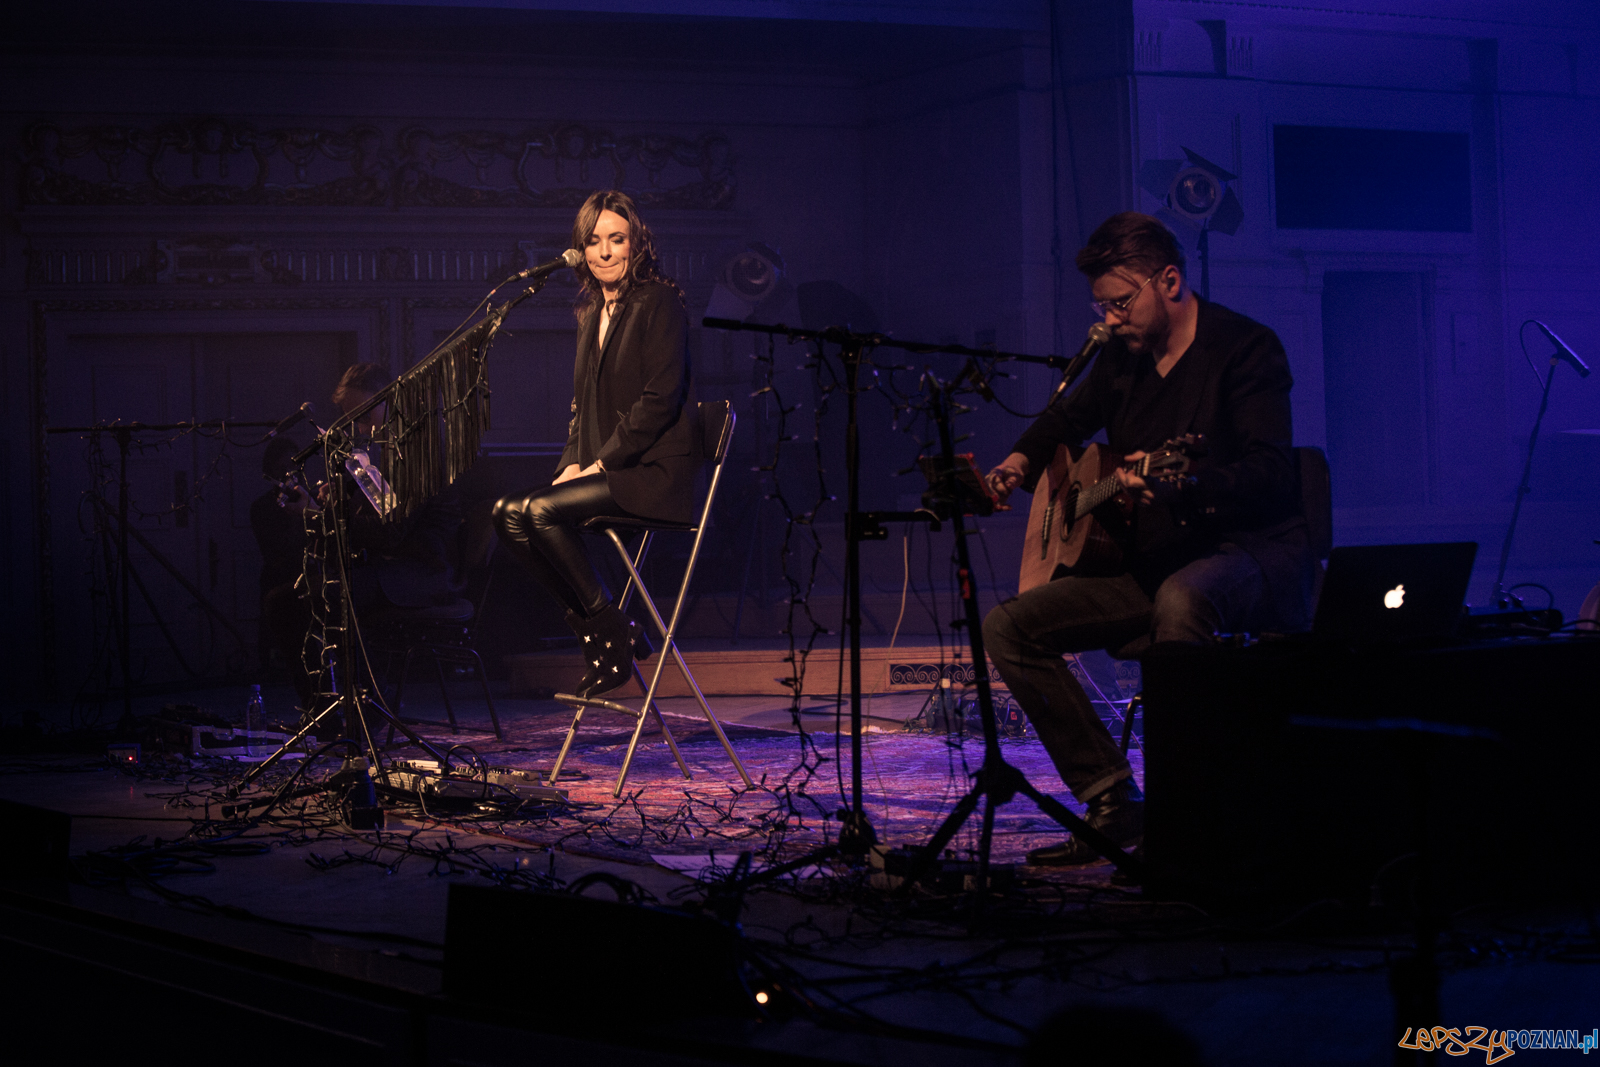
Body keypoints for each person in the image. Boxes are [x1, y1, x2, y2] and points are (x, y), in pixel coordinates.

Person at [982, 212, 1316, 867]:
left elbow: (1274, 473)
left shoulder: (1246, 350)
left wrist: (1181, 486)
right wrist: (1019, 462)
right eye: (1100, 306)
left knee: (1180, 603)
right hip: (1156, 558)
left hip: (1249, 550)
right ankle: (1112, 797)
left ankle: (1187, 811)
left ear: (1170, 279)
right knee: (1009, 626)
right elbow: (1060, 418)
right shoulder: (1118, 359)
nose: (1109, 319)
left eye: (1120, 302)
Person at [492, 190, 696, 697]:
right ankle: (608, 630)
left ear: (636, 243)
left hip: (650, 475)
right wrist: (572, 463)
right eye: (594, 241)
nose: (605, 252)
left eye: (617, 239)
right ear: (581, 250)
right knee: (507, 512)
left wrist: (601, 463)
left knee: (538, 513)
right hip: (609, 471)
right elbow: (581, 408)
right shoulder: (590, 312)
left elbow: (660, 399)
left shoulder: (659, 301)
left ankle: (607, 631)